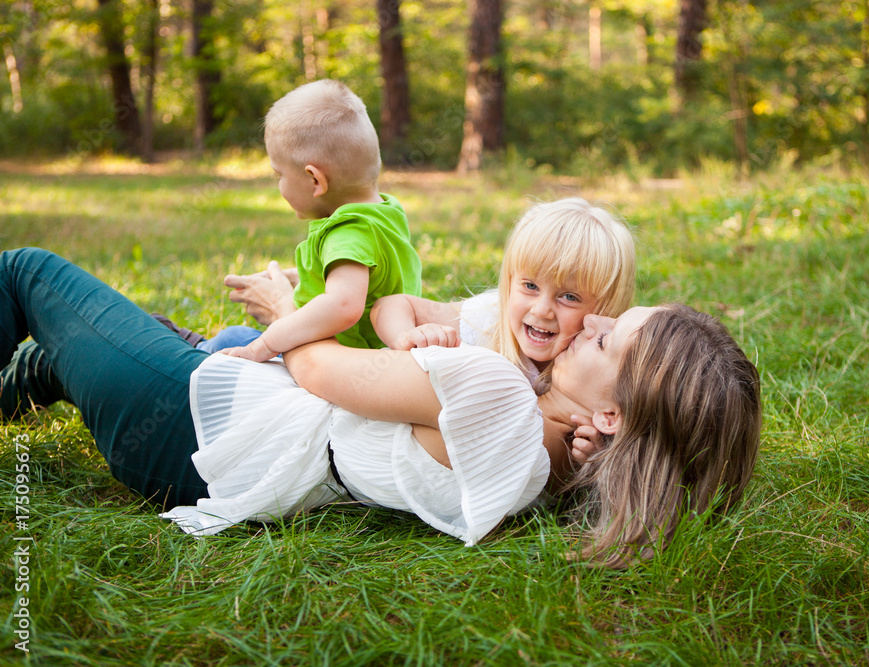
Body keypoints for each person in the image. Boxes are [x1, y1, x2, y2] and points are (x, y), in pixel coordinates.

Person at [0, 248, 761, 567]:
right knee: (84, 348)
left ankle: (74, 358)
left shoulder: (500, 398)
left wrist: (287, 307)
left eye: (607, 338)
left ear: (616, 416)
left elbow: (319, 369)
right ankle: (45, 371)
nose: (591, 319)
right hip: (235, 440)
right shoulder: (563, 458)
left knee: (26, 273)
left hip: (196, 426)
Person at [201, 78, 422, 361]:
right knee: (232, 337)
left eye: (279, 174)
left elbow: (343, 306)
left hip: (339, 364)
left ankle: (188, 353)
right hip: (352, 359)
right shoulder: (385, 212)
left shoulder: (348, 232)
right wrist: (300, 277)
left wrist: (265, 344)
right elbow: (364, 279)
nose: (278, 183)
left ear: (315, 180)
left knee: (232, 339)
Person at [372, 197, 636, 394]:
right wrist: (406, 336)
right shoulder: (485, 321)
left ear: (604, 309)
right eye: (530, 286)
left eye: (569, 297)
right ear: (509, 281)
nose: (541, 310)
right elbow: (392, 305)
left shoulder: (602, 362)